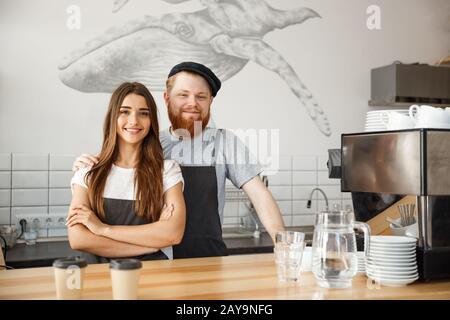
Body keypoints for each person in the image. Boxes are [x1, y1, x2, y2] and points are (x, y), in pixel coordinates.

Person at [72, 62, 285, 259]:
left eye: (201, 97)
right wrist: (93, 166)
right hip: (160, 258)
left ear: (210, 101)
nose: (192, 103)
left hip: (208, 259)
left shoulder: (224, 142)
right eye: (183, 95)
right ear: (167, 98)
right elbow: (120, 168)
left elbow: (260, 194)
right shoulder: (150, 143)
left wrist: (284, 245)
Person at [68, 82, 185, 263]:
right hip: (99, 279)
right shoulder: (88, 171)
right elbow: (78, 239)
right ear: (113, 117)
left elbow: (173, 234)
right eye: (125, 111)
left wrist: (102, 229)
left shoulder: (167, 170)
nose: (134, 121)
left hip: (154, 277)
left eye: (143, 113)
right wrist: (152, 244)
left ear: (151, 121)